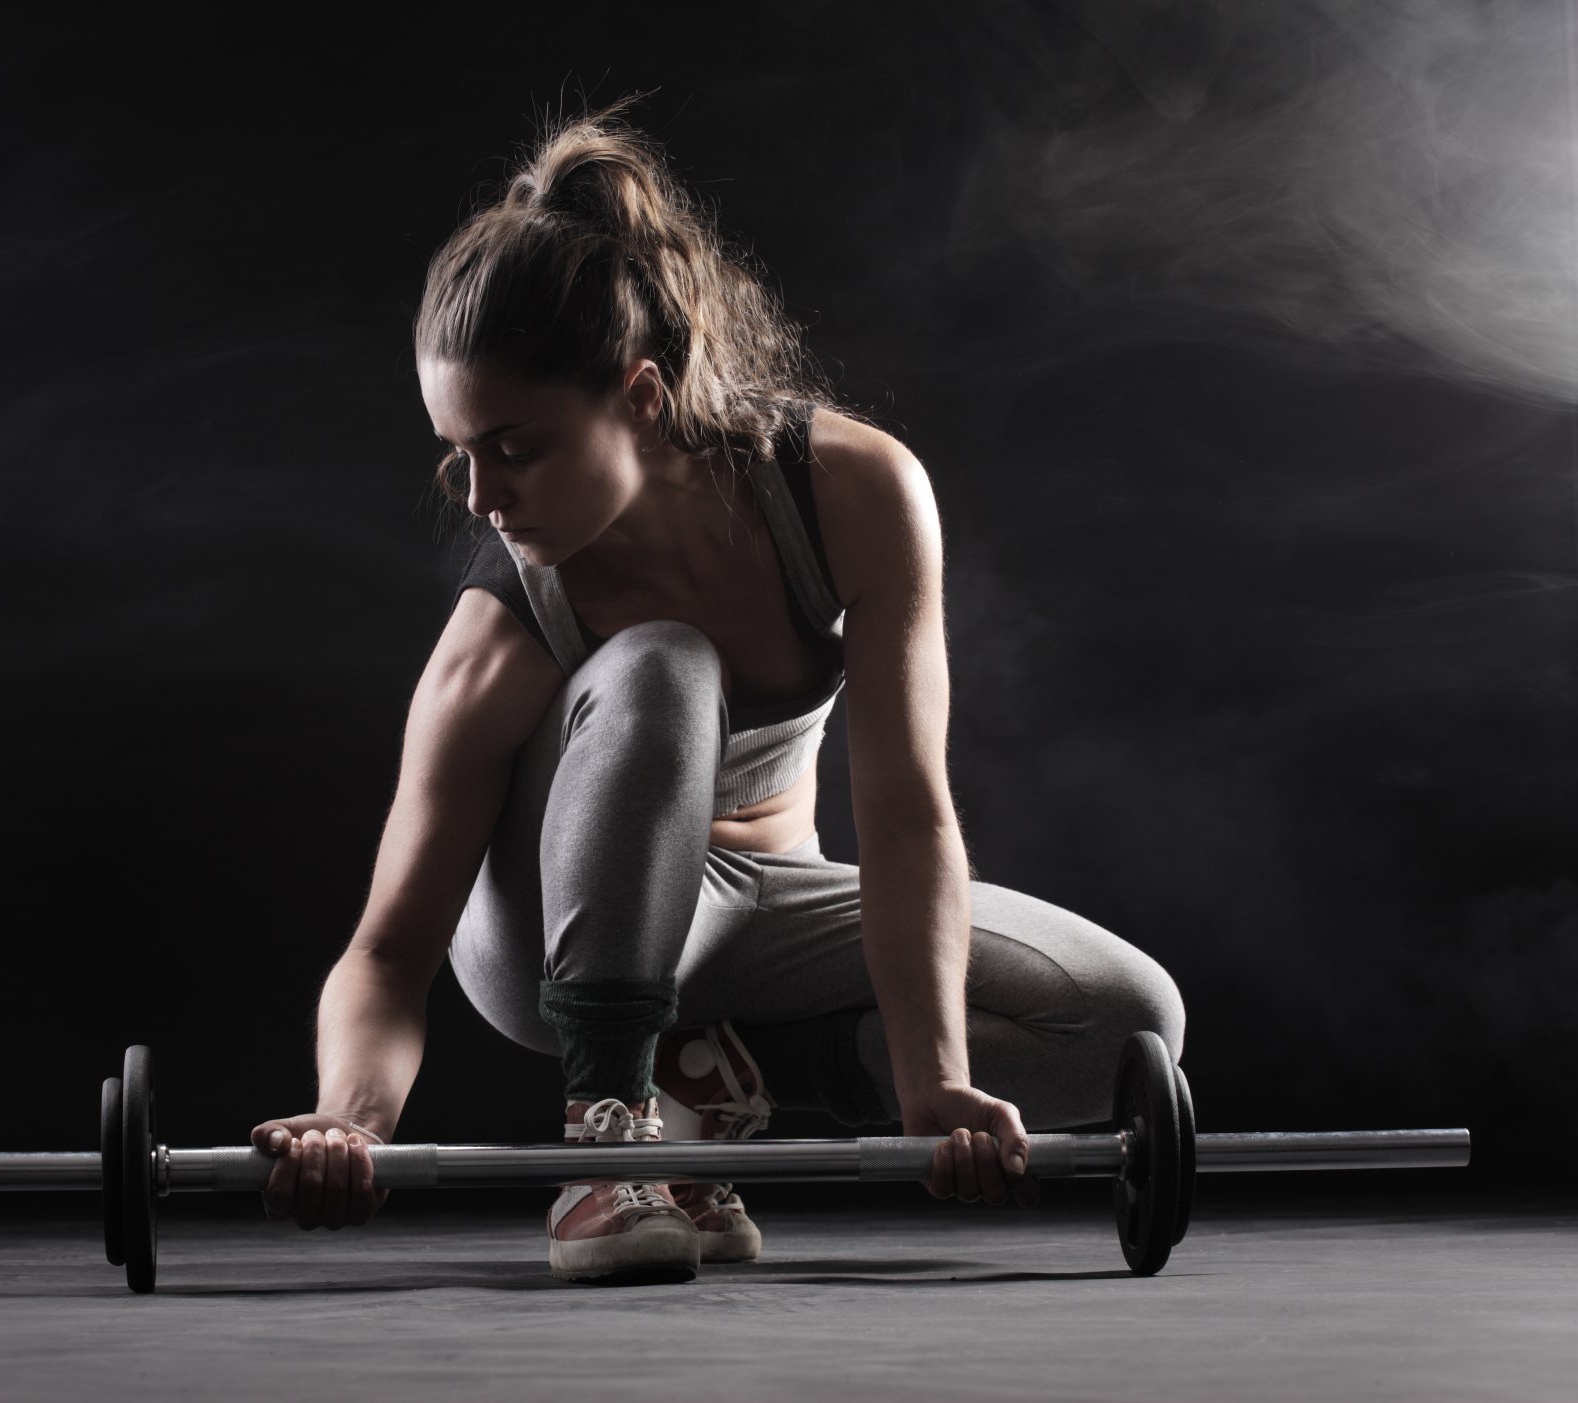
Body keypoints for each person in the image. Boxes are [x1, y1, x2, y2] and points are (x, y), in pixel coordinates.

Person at [250, 101, 1187, 1285]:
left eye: (516, 445)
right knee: (661, 659)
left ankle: (712, 1094)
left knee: (1122, 1020)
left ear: (640, 397)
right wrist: (352, 1118)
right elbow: (388, 949)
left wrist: (932, 1075)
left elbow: (905, 818)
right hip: (545, 943)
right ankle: (607, 1138)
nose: (482, 496)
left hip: (763, 914)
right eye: (459, 452)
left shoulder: (850, 492)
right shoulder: (498, 631)